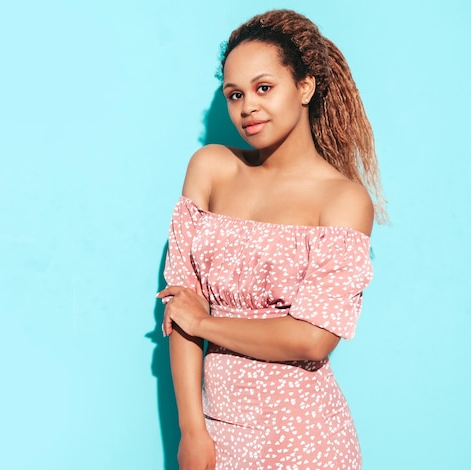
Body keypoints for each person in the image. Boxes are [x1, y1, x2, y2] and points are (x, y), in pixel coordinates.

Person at [156, 9, 386, 470]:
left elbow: (312, 339)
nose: (247, 107)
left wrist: (205, 325)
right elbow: (179, 304)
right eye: (234, 94)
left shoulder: (342, 199)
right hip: (214, 430)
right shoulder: (211, 167)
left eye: (264, 88)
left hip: (307, 437)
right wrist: (192, 431)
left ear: (305, 87)